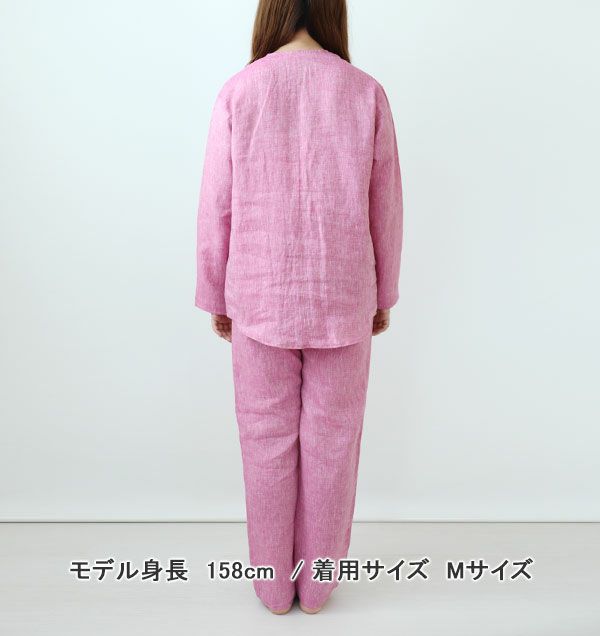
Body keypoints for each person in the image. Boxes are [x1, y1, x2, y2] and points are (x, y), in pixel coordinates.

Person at [195, 0, 403, 615]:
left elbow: (217, 203)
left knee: (265, 441)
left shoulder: (241, 91)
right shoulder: (365, 93)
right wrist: (383, 292)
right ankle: (317, 588)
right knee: (334, 443)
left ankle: (271, 588)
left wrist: (215, 292)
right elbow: (386, 205)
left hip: (259, 294)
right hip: (344, 296)